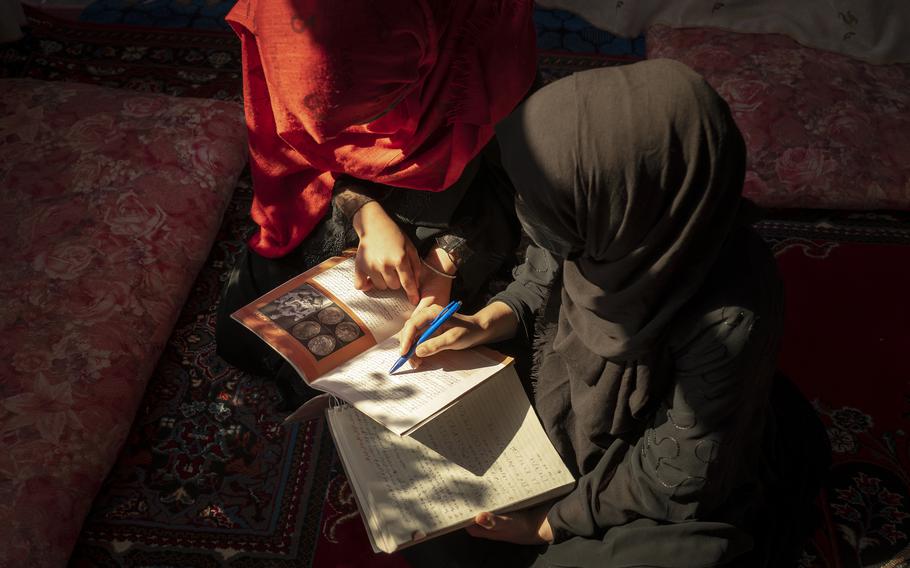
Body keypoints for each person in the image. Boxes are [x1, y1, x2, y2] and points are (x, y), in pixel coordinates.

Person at [398, 59, 831, 567]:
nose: (529, 219)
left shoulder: (730, 315)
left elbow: (677, 472)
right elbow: (543, 275)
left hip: (661, 464)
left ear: (631, 197)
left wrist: (551, 523)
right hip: (563, 391)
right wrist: (490, 318)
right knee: (432, 521)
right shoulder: (616, 218)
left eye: (549, 206)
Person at [214, 0, 538, 405]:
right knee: (242, 340)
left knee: (399, 355)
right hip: (330, 191)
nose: (346, 135)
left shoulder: (481, 35)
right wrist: (363, 211)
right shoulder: (279, 28)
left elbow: (516, 181)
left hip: (458, 198)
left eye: (377, 107)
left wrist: (446, 260)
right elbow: (295, 152)